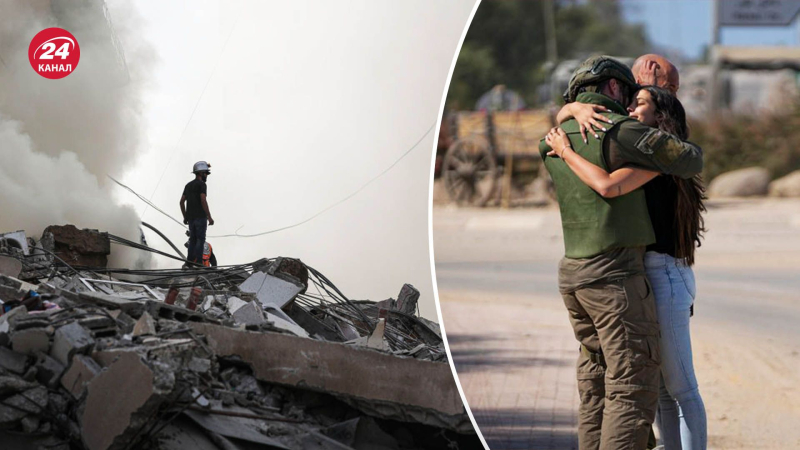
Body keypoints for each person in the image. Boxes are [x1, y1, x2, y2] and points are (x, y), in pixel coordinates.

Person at [538, 55, 703, 450]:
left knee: (595, 383)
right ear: (613, 89)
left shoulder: (552, 139)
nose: (630, 102)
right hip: (616, 275)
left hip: (574, 275)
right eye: (628, 93)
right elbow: (689, 157)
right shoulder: (624, 133)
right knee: (632, 386)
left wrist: (568, 111)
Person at [180, 161, 215, 268]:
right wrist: (209, 217)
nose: (206, 176)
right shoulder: (202, 185)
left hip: (191, 218)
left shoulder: (188, 185)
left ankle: (189, 262)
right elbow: (203, 200)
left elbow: (181, 202)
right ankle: (199, 263)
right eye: (205, 173)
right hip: (200, 217)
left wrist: (185, 216)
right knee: (200, 239)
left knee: (193, 240)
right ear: (200, 173)